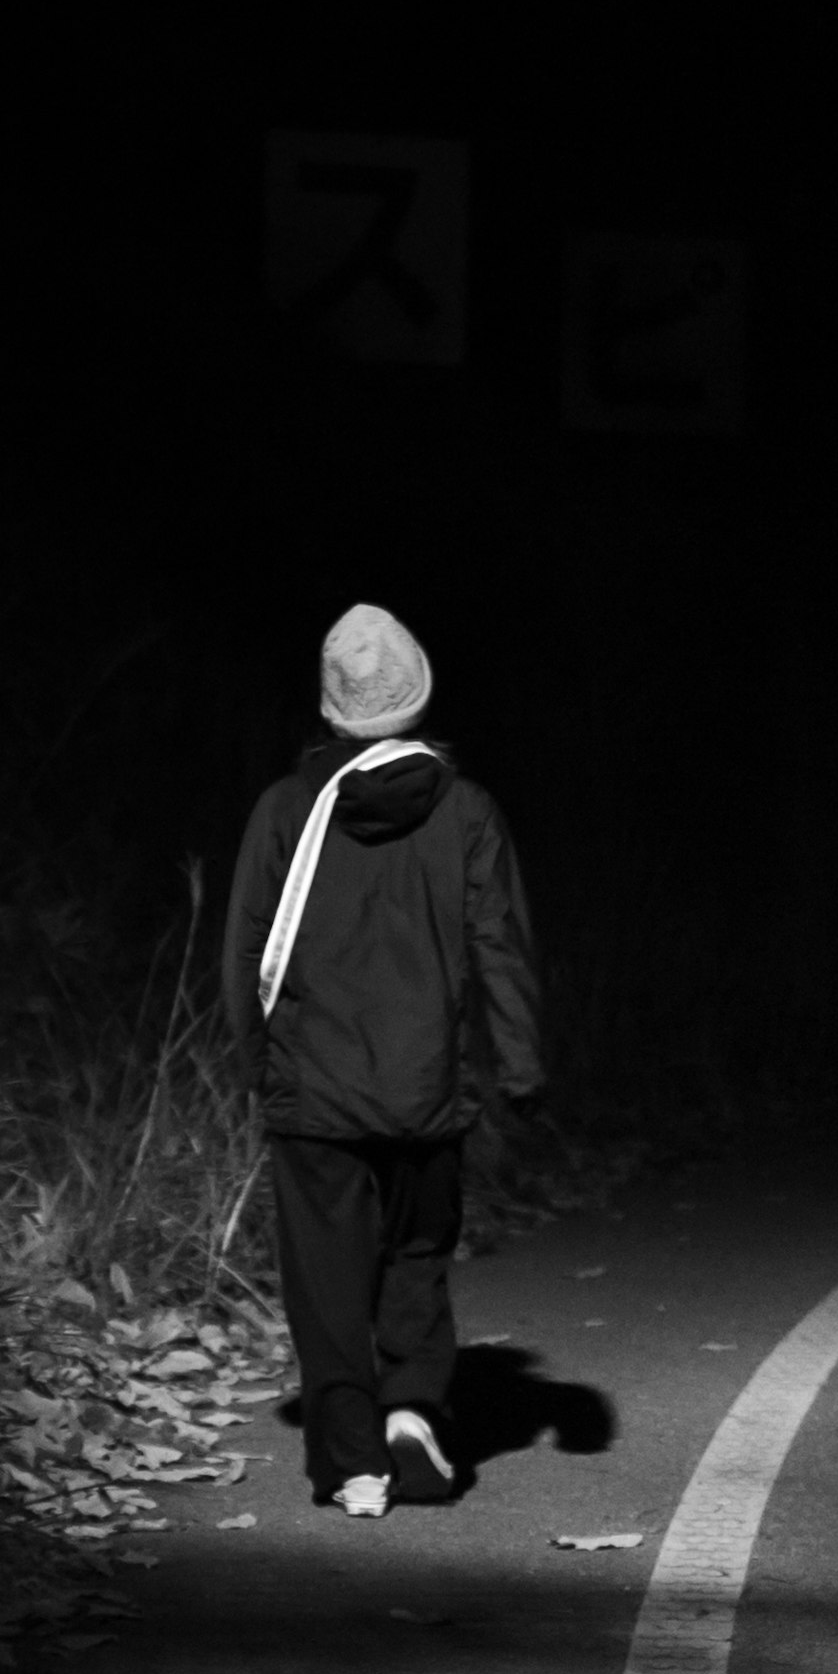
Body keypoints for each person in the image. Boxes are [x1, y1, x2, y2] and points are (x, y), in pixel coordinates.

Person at [220, 601, 543, 1517]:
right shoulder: (467, 811)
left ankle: (354, 1463)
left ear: (331, 709)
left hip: (311, 1094)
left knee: (325, 1283)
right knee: (416, 1255)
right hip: (425, 1090)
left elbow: (245, 951)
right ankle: (412, 1411)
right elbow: (502, 948)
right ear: (418, 698)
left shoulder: (287, 811)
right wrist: (519, 1070)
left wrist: (260, 1065)